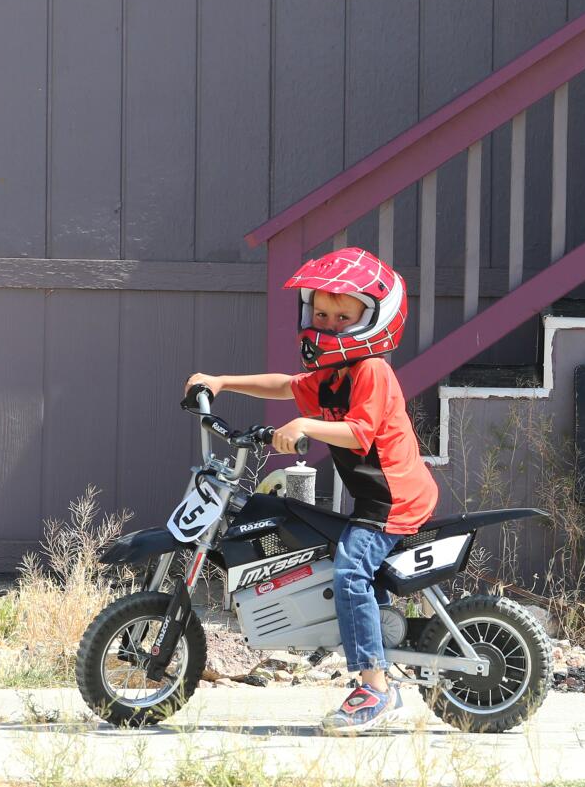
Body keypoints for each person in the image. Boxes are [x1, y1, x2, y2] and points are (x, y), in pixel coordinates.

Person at [185, 247, 438, 734]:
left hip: (395, 500)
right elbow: (285, 385)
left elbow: (361, 432)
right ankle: (380, 647)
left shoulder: (371, 371)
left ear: (374, 319)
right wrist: (223, 382)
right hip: (375, 497)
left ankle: (375, 689)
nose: (330, 324)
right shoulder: (333, 372)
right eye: (321, 313)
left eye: (344, 316)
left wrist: (304, 426)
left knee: (349, 572)